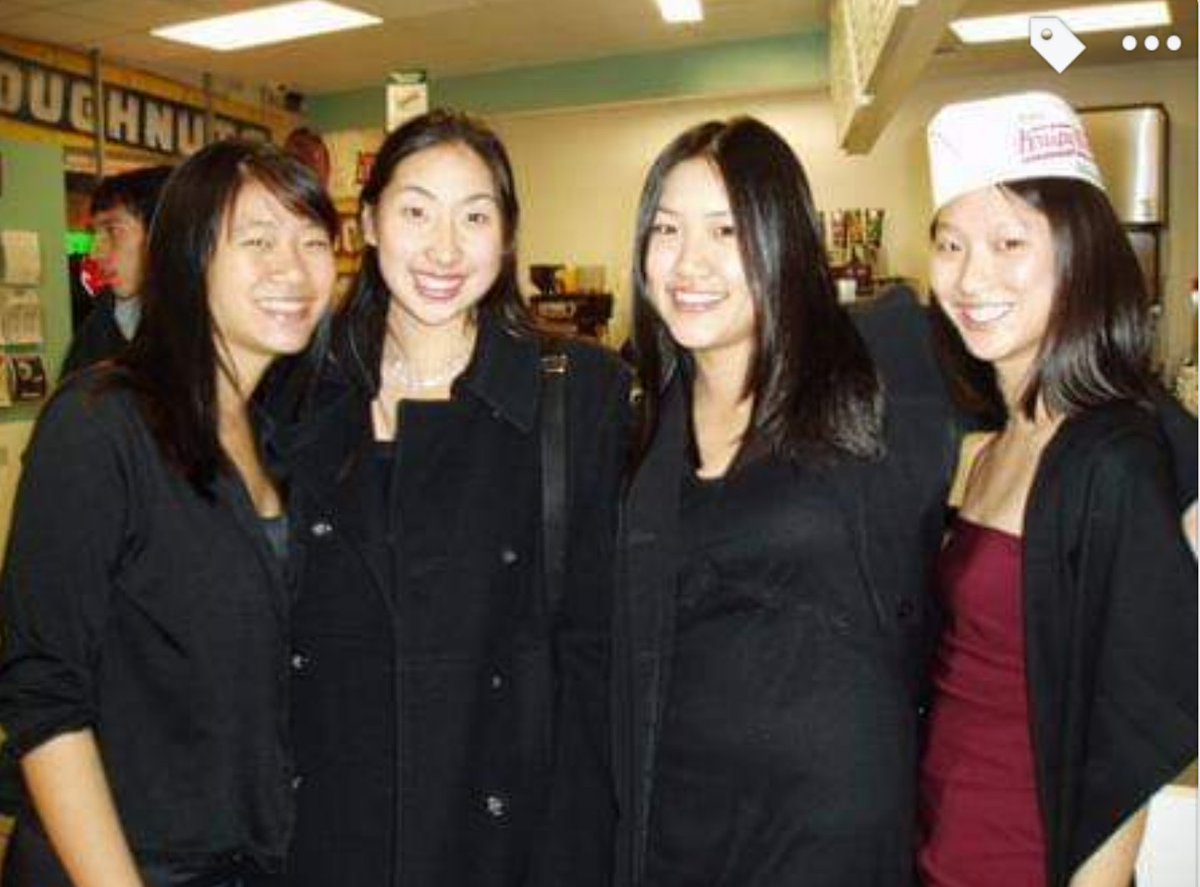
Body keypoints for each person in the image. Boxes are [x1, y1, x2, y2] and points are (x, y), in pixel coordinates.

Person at [260, 109, 629, 887]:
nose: (445, 249)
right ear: (368, 223)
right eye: (416, 211)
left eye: (475, 217)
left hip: (505, 835)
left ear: (508, 234)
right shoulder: (294, 391)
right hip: (327, 831)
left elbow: (597, 656)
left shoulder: (578, 394)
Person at [612, 116, 965, 886]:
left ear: (783, 239)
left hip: (830, 832)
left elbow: (1066, 382)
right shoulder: (639, 413)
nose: (690, 262)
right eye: (666, 229)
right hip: (676, 822)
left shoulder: (878, 359)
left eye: (727, 230)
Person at [0, 139, 338, 887]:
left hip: (244, 858)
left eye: (313, 241)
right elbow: (44, 696)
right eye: (258, 240)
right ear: (189, 254)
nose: (293, 268)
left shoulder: (277, 437)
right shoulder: (101, 422)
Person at [917, 91, 1197, 887]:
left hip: (1025, 863)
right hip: (936, 849)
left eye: (1010, 242)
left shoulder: (1112, 461)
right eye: (950, 243)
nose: (972, 276)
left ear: (1078, 253)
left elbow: (1129, 740)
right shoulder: (989, 446)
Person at [63, 164, 173, 377]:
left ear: (161, 232)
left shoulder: (216, 328)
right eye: (95, 234)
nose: (96, 253)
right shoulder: (97, 332)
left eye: (113, 231)